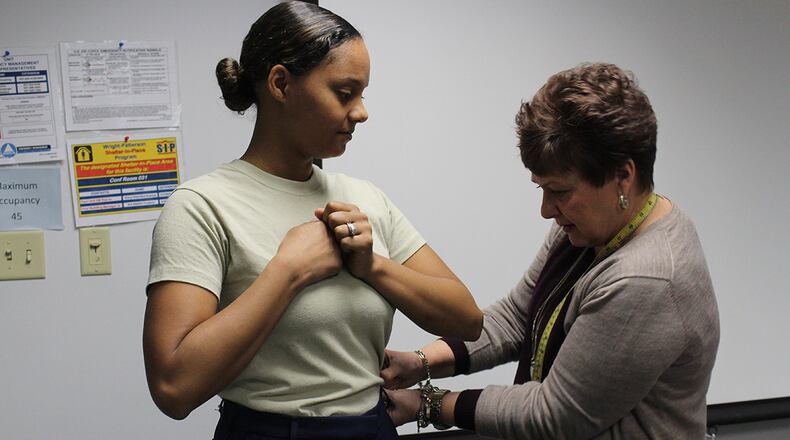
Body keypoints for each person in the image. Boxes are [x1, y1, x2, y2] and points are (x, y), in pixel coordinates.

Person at [142, 2, 482, 439]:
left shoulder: (366, 197)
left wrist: (374, 266)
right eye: (345, 93)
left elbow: (466, 320)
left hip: (373, 426)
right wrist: (289, 272)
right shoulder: (202, 205)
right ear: (281, 84)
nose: (361, 112)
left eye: (363, 95)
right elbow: (173, 387)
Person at [382, 62, 720, 439]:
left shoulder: (647, 277)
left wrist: (427, 403)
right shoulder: (593, 228)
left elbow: (556, 415)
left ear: (623, 176)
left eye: (559, 191)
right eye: (541, 188)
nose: (546, 210)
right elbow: (516, 318)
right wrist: (420, 362)